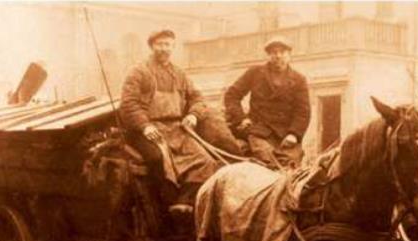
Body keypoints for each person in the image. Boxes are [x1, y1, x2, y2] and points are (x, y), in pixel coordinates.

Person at [119, 29, 219, 214]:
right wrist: (144, 125)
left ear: (173, 47)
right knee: (158, 159)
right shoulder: (139, 71)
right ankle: (162, 210)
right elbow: (128, 103)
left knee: (205, 160)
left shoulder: (180, 74)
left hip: (176, 128)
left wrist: (193, 114)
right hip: (148, 128)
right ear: (152, 46)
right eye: (160, 44)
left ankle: (185, 201)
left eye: (168, 44)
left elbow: (197, 98)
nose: (164, 49)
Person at [224, 36, 311, 169]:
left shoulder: (299, 80)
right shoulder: (255, 73)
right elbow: (232, 95)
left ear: (289, 55)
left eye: (282, 52)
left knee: (292, 169)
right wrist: (241, 119)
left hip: (286, 135)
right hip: (259, 132)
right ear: (268, 55)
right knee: (268, 163)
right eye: (273, 52)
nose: (278, 56)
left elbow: (303, 111)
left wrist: (294, 134)